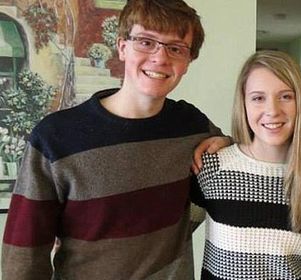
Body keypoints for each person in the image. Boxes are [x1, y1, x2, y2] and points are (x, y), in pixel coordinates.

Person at [1, 0, 228, 279]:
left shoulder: (191, 125)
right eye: (146, 42)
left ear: (187, 62)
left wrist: (226, 145)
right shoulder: (55, 136)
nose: (160, 57)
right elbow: (23, 253)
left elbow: (243, 161)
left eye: (176, 48)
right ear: (122, 47)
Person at [190, 50, 301, 279]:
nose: (272, 111)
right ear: (242, 104)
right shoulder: (213, 168)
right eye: (258, 98)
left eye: (286, 96)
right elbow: (170, 239)